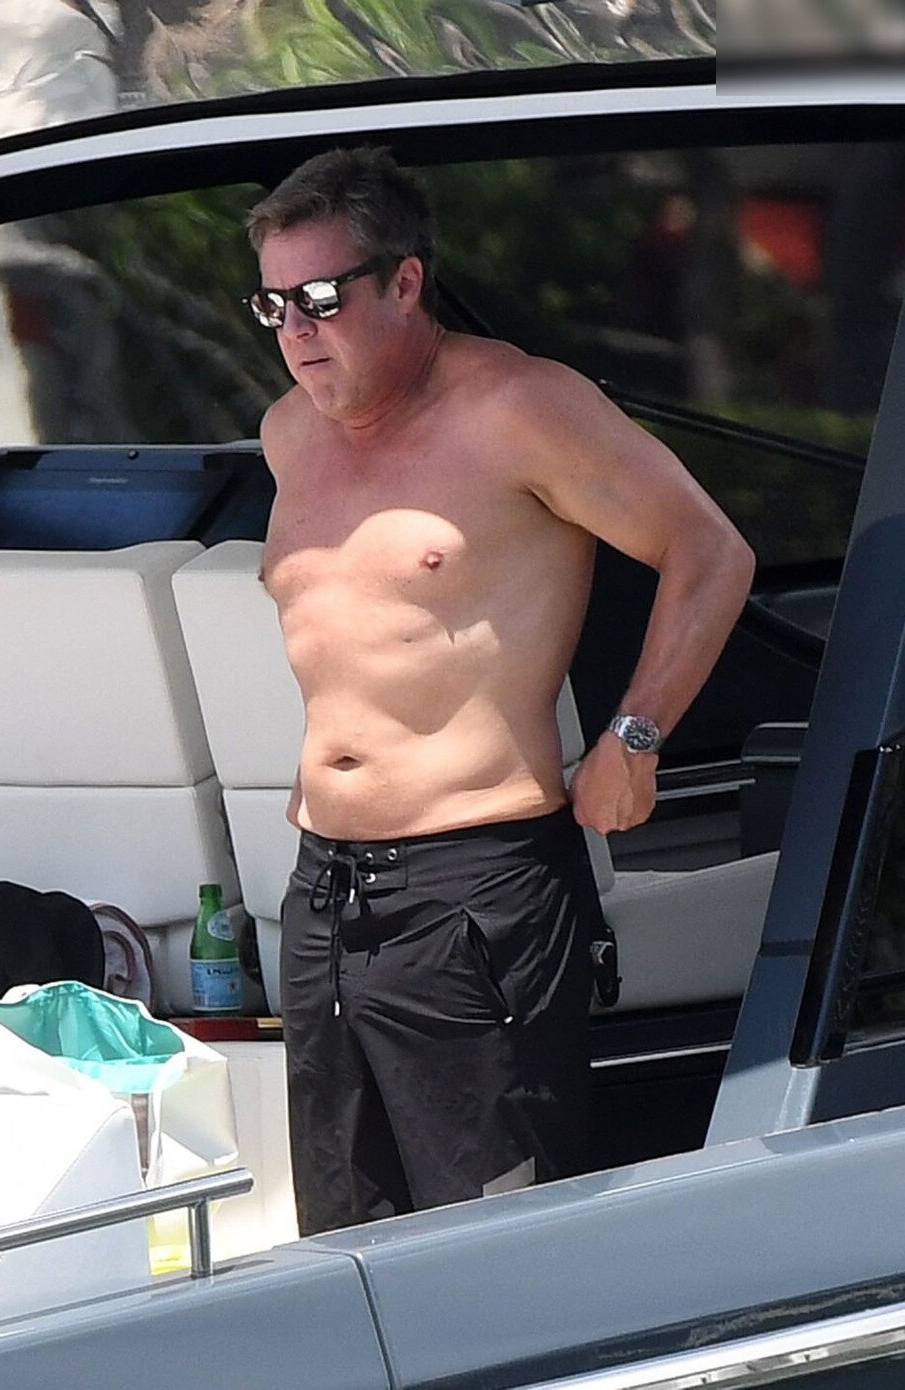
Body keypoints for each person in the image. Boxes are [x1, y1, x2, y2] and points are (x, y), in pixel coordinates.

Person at [246, 148, 756, 1234]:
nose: (297, 329)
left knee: (495, 1246)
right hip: (324, 890)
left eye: (323, 298)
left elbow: (710, 549)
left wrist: (635, 733)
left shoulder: (519, 406)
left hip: (473, 884)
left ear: (405, 282)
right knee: (343, 1240)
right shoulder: (289, 433)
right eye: (275, 304)